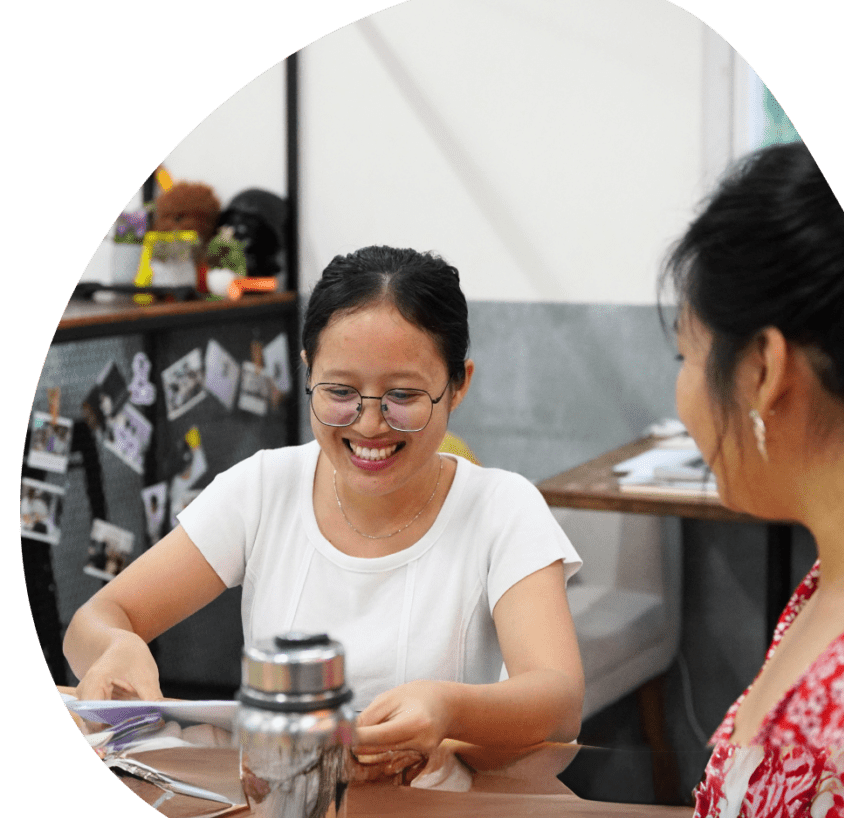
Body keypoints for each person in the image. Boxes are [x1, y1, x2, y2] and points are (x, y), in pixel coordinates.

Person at [337, 143, 844, 818]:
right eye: (341, 391)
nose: (682, 393)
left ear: (763, 368)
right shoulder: (840, 582)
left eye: (686, 356)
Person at [64, 245, 585, 765]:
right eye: (340, 391)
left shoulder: (503, 508)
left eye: (403, 395)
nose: (369, 423)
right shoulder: (264, 488)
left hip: (437, 817)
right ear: (308, 372)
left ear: (457, 386)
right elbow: (99, 618)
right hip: (277, 809)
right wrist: (115, 646)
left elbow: (559, 700)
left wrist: (450, 707)